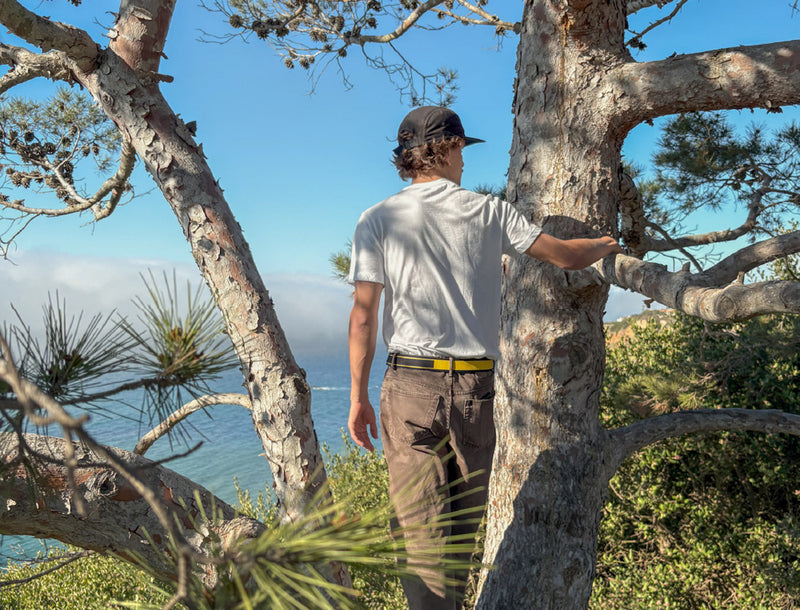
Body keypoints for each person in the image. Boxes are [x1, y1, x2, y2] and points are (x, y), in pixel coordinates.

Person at [347, 106, 621, 609]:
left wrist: (358, 398)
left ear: (408, 159)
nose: (463, 161)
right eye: (461, 150)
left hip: (408, 386)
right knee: (458, 541)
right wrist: (606, 242)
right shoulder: (488, 212)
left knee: (421, 539)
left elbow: (363, 317)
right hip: (476, 390)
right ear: (448, 149)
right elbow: (566, 255)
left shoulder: (377, 218)